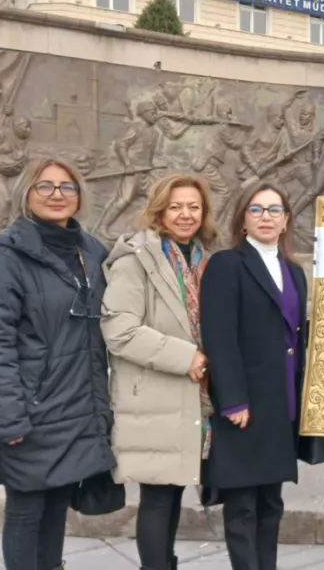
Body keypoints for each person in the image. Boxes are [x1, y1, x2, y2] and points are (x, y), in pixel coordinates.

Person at [0, 157, 116, 570]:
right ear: (26, 195)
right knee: (27, 507)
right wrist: (6, 418)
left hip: (77, 404)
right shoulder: (5, 257)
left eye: (66, 187)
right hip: (30, 408)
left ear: (79, 196)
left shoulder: (92, 251)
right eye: (45, 186)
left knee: (57, 502)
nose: (57, 195)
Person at [100, 174, 218, 570]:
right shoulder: (136, 259)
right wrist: (187, 357)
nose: (185, 215)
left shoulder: (203, 257)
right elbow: (119, 329)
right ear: (159, 210)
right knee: (157, 495)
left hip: (193, 396)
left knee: (173, 491)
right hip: (155, 393)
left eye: (194, 207)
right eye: (176, 206)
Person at [199, 182, 312, 570]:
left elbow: (297, 334)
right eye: (257, 210)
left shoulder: (294, 272)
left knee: (271, 503)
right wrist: (233, 399)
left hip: (282, 403)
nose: (267, 217)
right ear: (242, 219)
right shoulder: (227, 265)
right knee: (243, 505)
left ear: (286, 221)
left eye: (274, 210)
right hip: (244, 406)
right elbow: (219, 335)